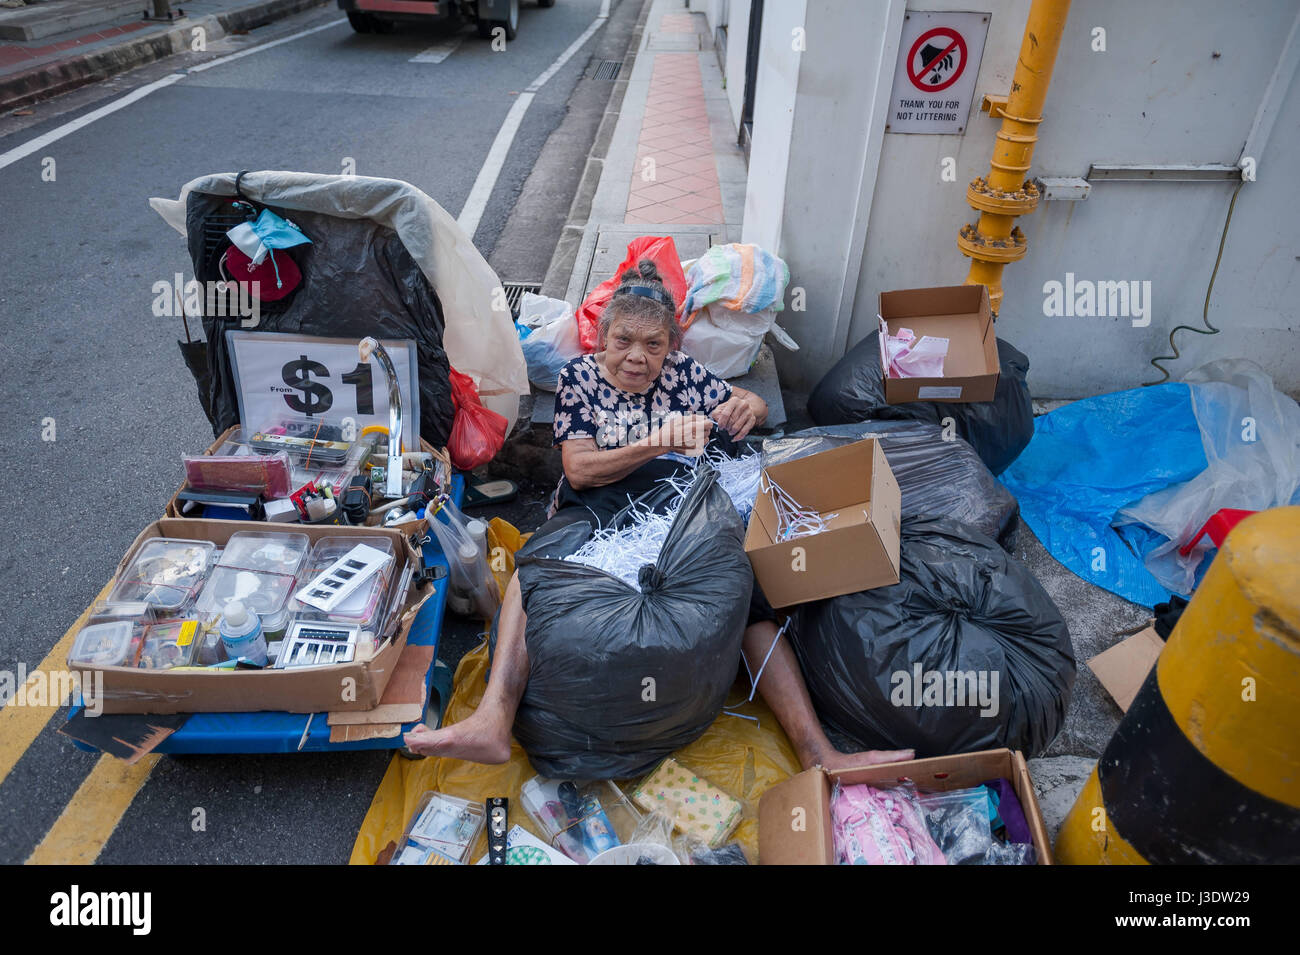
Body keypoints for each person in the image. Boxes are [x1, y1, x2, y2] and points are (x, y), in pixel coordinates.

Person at [404, 260, 913, 773]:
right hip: (600, 501)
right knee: (534, 571)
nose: (637, 358)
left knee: (748, 597)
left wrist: (750, 410)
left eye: (653, 344)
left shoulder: (683, 373)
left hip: (679, 499)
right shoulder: (579, 379)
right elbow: (580, 472)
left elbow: (749, 401)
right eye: (624, 340)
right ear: (602, 337)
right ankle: (495, 717)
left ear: (672, 345)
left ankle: (817, 752)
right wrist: (658, 442)